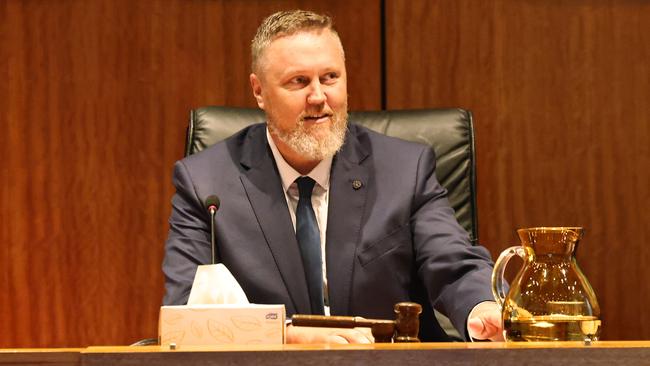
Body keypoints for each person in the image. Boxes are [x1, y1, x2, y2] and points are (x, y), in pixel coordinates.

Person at [162, 9, 502, 344]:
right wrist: (287, 336)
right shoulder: (206, 184)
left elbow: (453, 262)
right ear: (259, 91)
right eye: (298, 81)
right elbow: (185, 314)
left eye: (330, 78)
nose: (318, 97)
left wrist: (481, 307)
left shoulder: (404, 169)